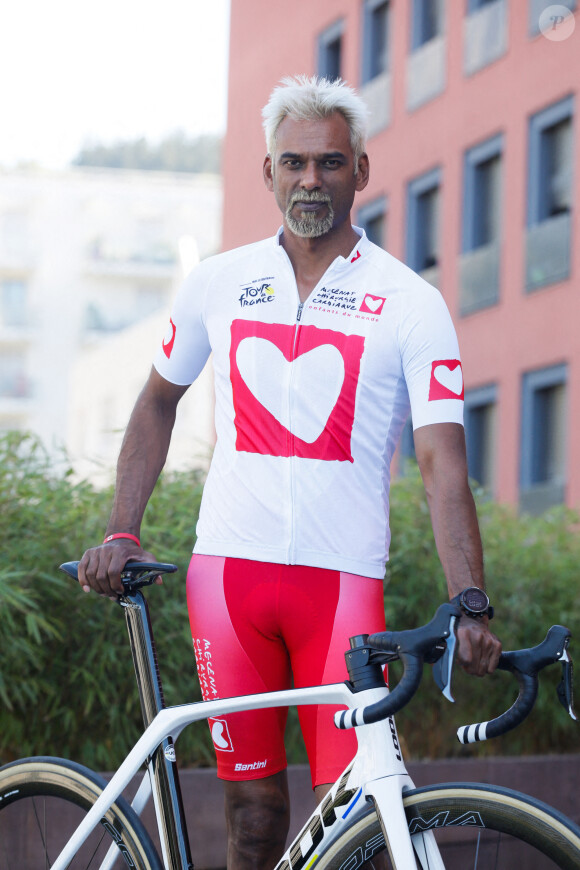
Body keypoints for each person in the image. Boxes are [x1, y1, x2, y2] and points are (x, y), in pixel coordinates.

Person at [79, 75, 502, 870]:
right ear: (266, 173)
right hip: (227, 581)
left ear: (362, 172)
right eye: (294, 163)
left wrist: (469, 601)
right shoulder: (218, 281)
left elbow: (445, 464)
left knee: (356, 818)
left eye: (330, 164)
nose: (311, 180)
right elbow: (154, 404)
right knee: (252, 818)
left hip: (341, 588)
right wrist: (122, 528)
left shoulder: (411, 302)